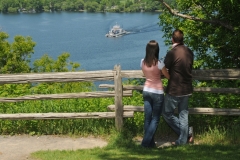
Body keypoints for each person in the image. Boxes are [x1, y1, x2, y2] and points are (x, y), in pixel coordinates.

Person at [162, 29, 194, 145]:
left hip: (175, 89)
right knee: (183, 115)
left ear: (172, 39)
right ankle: (183, 139)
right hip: (187, 88)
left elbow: (164, 68)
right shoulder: (189, 51)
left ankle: (186, 135)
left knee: (166, 113)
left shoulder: (172, 53)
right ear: (182, 39)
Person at [140, 40, 170, 148]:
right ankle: (145, 143)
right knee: (156, 118)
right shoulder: (159, 63)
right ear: (157, 50)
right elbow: (168, 76)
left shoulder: (142, 61)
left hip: (146, 90)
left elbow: (145, 74)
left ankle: (150, 144)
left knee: (148, 118)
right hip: (157, 91)